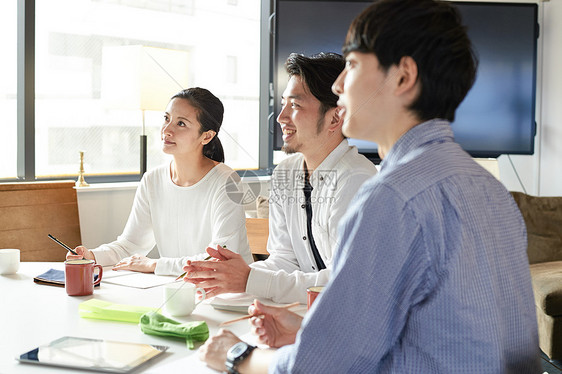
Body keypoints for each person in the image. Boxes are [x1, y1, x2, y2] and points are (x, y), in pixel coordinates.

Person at [199, 0, 541, 372]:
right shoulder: (490, 189)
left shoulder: (391, 197)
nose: (338, 84)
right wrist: (309, 331)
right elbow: (450, 338)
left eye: (353, 64)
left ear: (403, 76)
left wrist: (238, 356)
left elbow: (319, 367)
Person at [182, 53, 377, 303]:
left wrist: (250, 280)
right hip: (302, 309)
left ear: (335, 117)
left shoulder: (357, 181)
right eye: (283, 104)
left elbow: (346, 281)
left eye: (295, 106)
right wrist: (227, 277)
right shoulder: (286, 172)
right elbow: (284, 259)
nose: (281, 117)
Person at [67, 87, 253, 275]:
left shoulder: (226, 181)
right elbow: (130, 246)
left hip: (230, 295)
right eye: (166, 118)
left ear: (207, 136)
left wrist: (155, 265)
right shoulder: (152, 180)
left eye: (181, 123)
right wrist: (92, 256)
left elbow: (218, 259)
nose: (167, 130)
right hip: (179, 289)